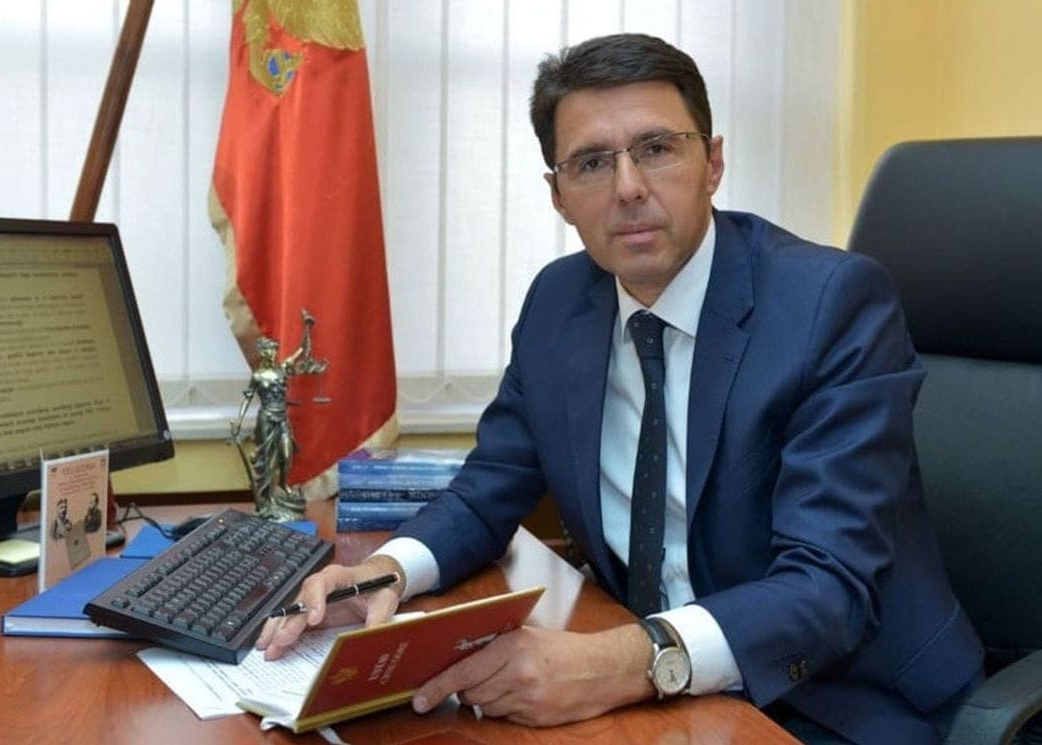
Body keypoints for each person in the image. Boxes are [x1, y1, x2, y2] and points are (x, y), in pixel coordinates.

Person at [257, 33, 984, 744]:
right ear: (558, 195)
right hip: (659, 696)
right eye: (592, 163)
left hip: (839, 700)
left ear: (713, 163)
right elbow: (489, 488)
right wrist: (387, 571)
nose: (629, 187)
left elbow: (827, 585)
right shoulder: (559, 304)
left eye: (657, 148)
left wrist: (622, 661)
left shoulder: (831, 304)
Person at [230, 310, 328, 519]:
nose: (273, 354)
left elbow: (302, 351)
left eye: (275, 350)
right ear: (262, 353)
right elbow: (248, 398)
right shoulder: (258, 376)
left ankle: (283, 485)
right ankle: (267, 501)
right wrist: (239, 421)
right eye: (269, 351)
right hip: (266, 418)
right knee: (267, 460)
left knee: (286, 453)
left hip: (282, 418)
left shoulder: (282, 370)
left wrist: (307, 327)